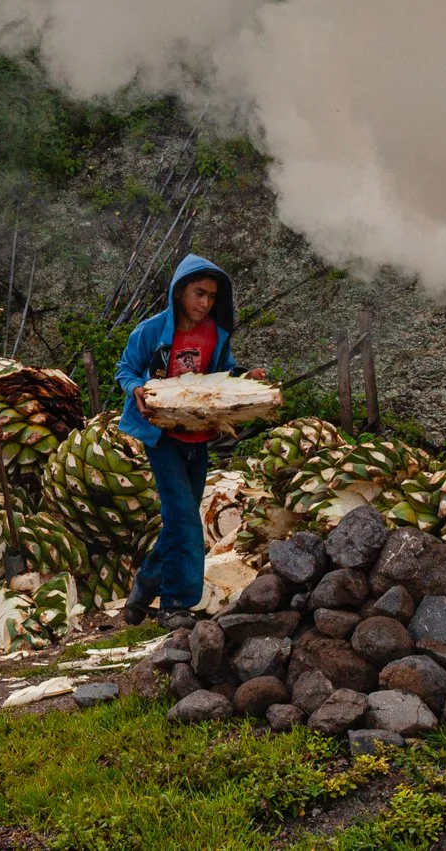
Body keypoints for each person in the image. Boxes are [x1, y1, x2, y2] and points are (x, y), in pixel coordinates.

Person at [113, 254, 270, 628]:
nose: (205, 303)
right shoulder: (150, 332)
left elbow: (221, 374)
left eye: (212, 297)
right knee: (184, 517)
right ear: (178, 291)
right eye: (199, 293)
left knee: (178, 522)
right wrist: (136, 388)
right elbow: (125, 369)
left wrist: (247, 377)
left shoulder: (215, 334)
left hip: (198, 437)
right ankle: (175, 604)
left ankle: (142, 590)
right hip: (162, 437)